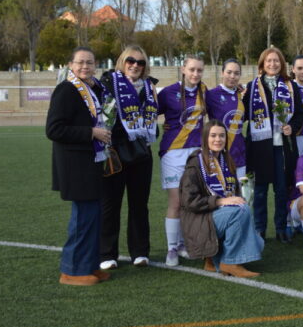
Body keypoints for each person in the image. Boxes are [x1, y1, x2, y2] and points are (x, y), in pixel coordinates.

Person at [46, 46, 111, 285]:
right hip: (75, 165)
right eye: (81, 62)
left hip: (92, 163)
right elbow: (53, 129)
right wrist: (91, 132)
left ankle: (89, 266)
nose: (85, 67)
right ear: (71, 65)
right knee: (83, 218)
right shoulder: (66, 89)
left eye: (90, 63)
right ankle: (71, 271)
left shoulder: (93, 89)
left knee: (93, 217)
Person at [98, 45, 158, 271]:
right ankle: (107, 253)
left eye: (140, 62)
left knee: (139, 205)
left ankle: (140, 252)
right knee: (110, 205)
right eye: (130, 60)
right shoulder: (107, 83)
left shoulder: (150, 87)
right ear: (122, 61)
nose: (135, 65)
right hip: (115, 152)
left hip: (142, 153)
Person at [179, 120, 263, 278]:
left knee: (259, 243)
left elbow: (234, 194)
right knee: (240, 212)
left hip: (218, 216)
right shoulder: (195, 163)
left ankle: (212, 258)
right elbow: (189, 202)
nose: (218, 139)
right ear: (205, 138)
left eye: (222, 136)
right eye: (213, 136)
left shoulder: (227, 160)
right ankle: (230, 262)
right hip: (200, 221)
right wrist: (219, 201)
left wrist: (240, 198)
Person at [243, 47, 303, 243]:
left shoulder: (290, 86)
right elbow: (243, 114)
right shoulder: (252, 87)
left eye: (276, 61)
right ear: (262, 63)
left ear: (282, 64)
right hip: (260, 146)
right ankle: (260, 229)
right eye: (268, 61)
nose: (272, 64)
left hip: (282, 147)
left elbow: (300, 114)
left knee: (281, 189)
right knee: (260, 190)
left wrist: (292, 127)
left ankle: (280, 227)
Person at [157, 55, 207, 266]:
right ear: (183, 69)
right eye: (192, 69)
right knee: (176, 202)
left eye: (199, 70)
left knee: (191, 201)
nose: (195, 74)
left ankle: (184, 244)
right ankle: (171, 248)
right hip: (172, 152)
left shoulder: (205, 92)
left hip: (196, 153)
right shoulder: (168, 93)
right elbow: (150, 112)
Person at [206, 59, 247, 177]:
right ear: (222, 73)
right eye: (229, 72)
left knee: (241, 195)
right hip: (219, 154)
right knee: (221, 195)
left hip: (239, 154)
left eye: (236, 73)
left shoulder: (241, 94)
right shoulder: (211, 95)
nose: (232, 76)